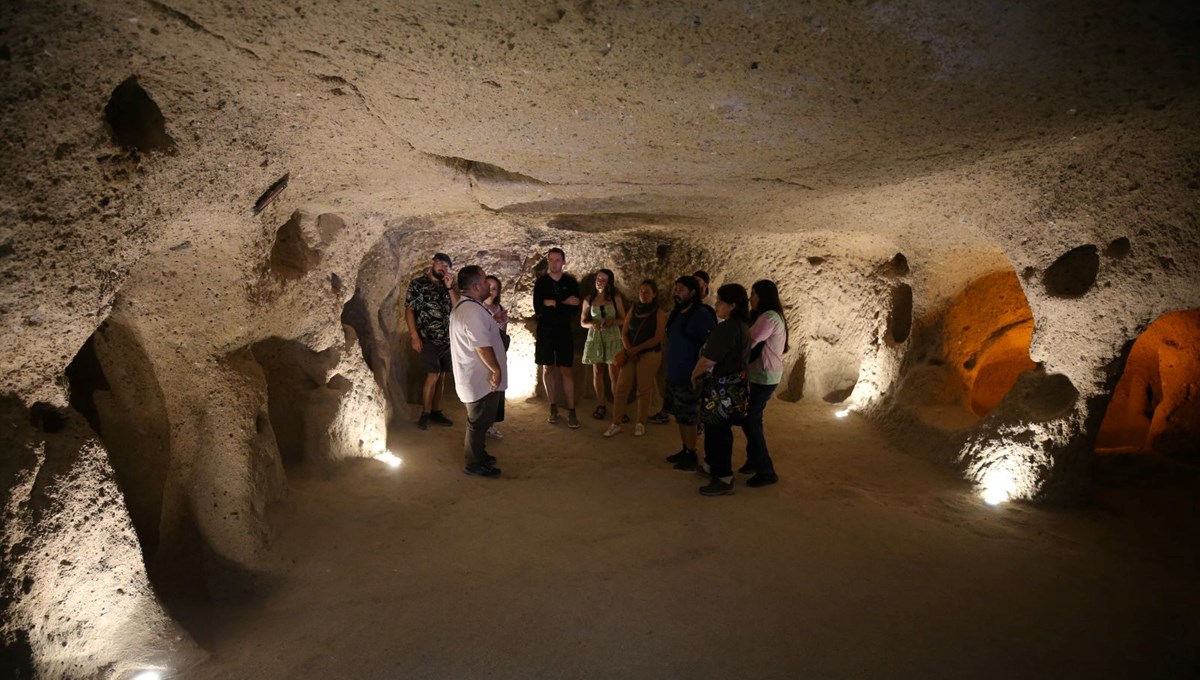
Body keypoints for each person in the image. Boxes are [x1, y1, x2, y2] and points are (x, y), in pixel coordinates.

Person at [691, 283, 752, 496]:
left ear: (732, 305)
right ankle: (711, 466)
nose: (716, 305)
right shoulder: (742, 325)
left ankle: (724, 477)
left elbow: (709, 359)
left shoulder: (728, 328)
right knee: (715, 427)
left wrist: (694, 374)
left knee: (718, 431)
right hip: (733, 385)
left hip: (722, 387)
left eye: (720, 302)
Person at [449, 266, 507, 477]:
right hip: (479, 378)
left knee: (480, 421)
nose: (487, 286)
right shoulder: (472, 311)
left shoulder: (469, 307)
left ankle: (479, 455)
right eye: (484, 282)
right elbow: (481, 345)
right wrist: (495, 369)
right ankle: (474, 464)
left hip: (475, 377)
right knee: (478, 423)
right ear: (475, 287)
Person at [662, 275, 716, 470]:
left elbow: (711, 345)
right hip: (675, 372)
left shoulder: (700, 315)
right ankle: (685, 449)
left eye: (681, 289)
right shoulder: (678, 313)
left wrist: (699, 373)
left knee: (690, 416)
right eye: (676, 289)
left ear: (693, 293)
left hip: (689, 375)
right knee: (680, 414)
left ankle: (692, 453)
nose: (677, 292)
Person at [739, 279, 788, 487]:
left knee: (750, 420)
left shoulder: (768, 317)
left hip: (764, 376)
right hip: (762, 375)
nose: (750, 298)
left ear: (763, 296)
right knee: (752, 419)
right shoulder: (770, 316)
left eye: (753, 294)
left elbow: (748, 341)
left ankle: (766, 470)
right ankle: (753, 460)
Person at [605, 279, 667, 438]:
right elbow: (624, 331)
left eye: (647, 292)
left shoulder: (658, 313)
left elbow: (658, 337)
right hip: (631, 353)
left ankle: (640, 423)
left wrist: (636, 350)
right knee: (621, 388)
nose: (643, 295)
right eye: (641, 291)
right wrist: (629, 349)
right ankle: (615, 423)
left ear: (654, 294)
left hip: (649, 354)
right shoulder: (634, 309)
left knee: (644, 390)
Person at [405, 252, 459, 430]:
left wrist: (450, 288)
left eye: (446, 265)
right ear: (432, 262)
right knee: (433, 374)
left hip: (447, 338)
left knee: (442, 376)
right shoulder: (418, 284)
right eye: (440, 263)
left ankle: (436, 411)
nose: (442, 267)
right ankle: (425, 413)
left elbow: (457, 306)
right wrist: (414, 336)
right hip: (428, 338)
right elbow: (410, 310)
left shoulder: (447, 285)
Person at [533, 247, 582, 428]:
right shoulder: (541, 283)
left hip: (563, 332)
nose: (554, 263)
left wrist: (553, 303)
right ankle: (553, 407)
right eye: (551, 260)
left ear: (563, 262)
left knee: (566, 370)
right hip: (546, 331)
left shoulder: (570, 282)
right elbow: (539, 308)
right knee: (548, 369)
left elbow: (574, 309)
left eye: (557, 260)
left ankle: (571, 411)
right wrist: (564, 303)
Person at [581, 269, 626, 421]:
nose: (600, 281)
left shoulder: (615, 298)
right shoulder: (589, 299)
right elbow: (583, 322)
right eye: (599, 277)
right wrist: (593, 324)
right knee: (597, 371)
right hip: (596, 337)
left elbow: (624, 319)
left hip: (612, 336)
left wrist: (613, 321)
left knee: (614, 373)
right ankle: (601, 405)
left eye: (604, 279)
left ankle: (618, 407)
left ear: (609, 283)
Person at [482, 275, 510, 440]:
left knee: (497, 389)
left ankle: (491, 425)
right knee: (484, 388)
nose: (491, 291)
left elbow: (503, 332)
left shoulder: (499, 307)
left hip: (499, 352)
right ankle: (481, 425)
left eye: (494, 288)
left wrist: (503, 321)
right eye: (488, 287)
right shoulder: (477, 308)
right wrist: (494, 320)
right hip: (483, 354)